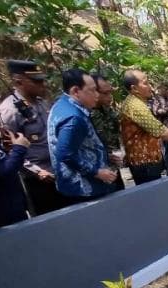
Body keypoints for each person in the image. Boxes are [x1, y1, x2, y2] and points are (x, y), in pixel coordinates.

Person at [0, 59, 66, 215]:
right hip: (38, 181)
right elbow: (10, 150)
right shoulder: (10, 111)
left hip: (59, 172)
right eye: (37, 81)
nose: (43, 84)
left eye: (42, 80)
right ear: (18, 81)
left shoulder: (42, 103)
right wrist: (37, 171)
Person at [48, 69, 117, 203]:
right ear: (75, 91)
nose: (97, 95)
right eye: (92, 90)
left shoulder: (63, 104)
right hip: (84, 188)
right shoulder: (73, 118)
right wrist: (97, 172)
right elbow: (64, 153)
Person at [120, 70, 168, 184]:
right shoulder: (135, 106)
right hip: (144, 162)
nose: (150, 87)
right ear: (134, 88)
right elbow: (160, 131)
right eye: (145, 83)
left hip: (147, 160)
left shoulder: (137, 102)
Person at [90, 74, 125, 190]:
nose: (110, 97)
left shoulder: (108, 110)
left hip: (114, 166)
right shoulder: (85, 114)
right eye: (105, 93)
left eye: (110, 92)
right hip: (97, 170)